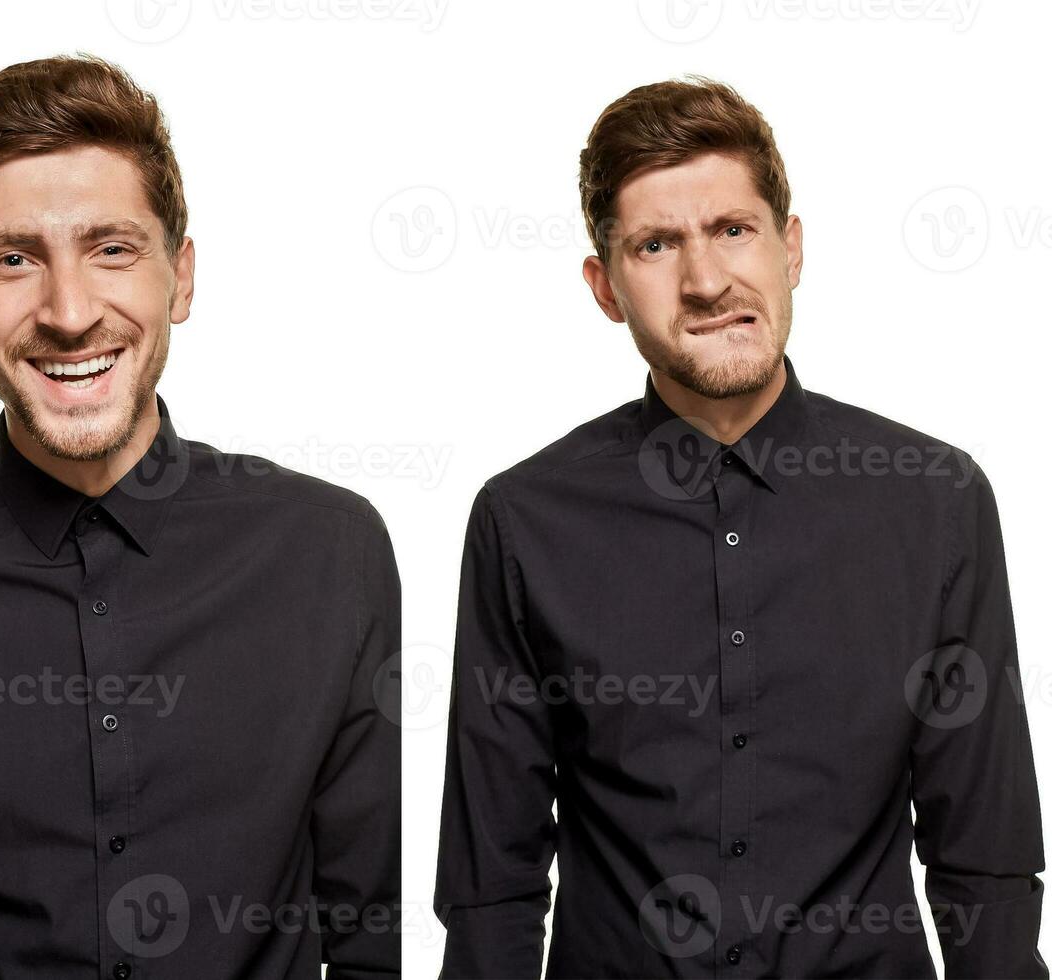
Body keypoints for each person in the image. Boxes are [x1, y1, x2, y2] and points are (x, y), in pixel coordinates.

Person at [0, 52, 400, 980]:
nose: (69, 312)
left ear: (180, 280)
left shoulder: (330, 553)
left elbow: (365, 939)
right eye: (14, 259)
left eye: (112, 248)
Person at [433, 74, 1046, 979]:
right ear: (605, 287)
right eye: (655, 244)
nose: (707, 279)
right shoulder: (523, 523)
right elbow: (494, 877)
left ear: (790, 247)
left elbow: (983, 857)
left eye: (733, 229)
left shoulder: (934, 500)